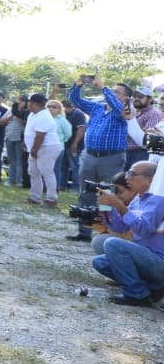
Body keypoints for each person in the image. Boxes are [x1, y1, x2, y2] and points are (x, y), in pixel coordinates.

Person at [90, 161, 164, 307]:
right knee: (99, 262)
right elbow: (120, 227)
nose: (127, 178)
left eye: (132, 174)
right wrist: (106, 206)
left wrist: (119, 206)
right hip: (145, 257)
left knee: (112, 244)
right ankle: (151, 289)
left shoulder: (158, 201)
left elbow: (145, 229)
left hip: (158, 260)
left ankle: (137, 295)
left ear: (150, 180)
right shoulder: (138, 199)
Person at [68, 76, 130, 242]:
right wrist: (78, 86)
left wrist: (104, 88)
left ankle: (105, 232)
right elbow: (75, 100)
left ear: (126, 98)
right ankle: (84, 232)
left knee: (108, 195)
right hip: (90, 156)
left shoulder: (123, 112)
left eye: (117, 92)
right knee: (85, 193)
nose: (111, 93)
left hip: (111, 159)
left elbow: (118, 108)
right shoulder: (97, 108)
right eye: (111, 90)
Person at [24, 92, 62, 206]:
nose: (28, 104)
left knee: (46, 172)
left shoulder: (44, 116)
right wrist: (26, 144)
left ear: (34, 103)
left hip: (47, 147)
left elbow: (40, 135)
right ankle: (35, 197)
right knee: (33, 172)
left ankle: (52, 198)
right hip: (36, 147)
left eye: (29, 102)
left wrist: (34, 150)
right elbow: (30, 131)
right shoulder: (33, 114)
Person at [125, 88, 163, 167]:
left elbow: (146, 140)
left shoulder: (154, 114)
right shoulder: (133, 112)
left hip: (141, 153)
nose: (137, 98)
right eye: (135, 96)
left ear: (150, 99)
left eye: (141, 96)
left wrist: (131, 120)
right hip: (127, 152)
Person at [60, 99, 87, 191]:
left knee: (75, 166)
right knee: (63, 166)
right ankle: (62, 186)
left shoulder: (78, 114)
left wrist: (75, 144)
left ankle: (76, 187)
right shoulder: (64, 114)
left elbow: (81, 129)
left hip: (75, 145)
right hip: (64, 144)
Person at [4, 94, 30, 188]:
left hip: (19, 138)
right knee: (12, 160)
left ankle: (19, 181)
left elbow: (26, 122)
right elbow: (3, 121)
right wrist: (10, 117)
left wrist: (18, 115)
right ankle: (11, 180)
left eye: (22, 101)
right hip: (9, 137)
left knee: (20, 161)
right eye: (19, 100)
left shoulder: (27, 112)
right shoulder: (11, 110)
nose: (20, 102)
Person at [47, 99, 72, 192]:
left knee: (55, 169)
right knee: (45, 169)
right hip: (44, 147)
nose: (51, 108)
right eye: (49, 106)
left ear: (59, 110)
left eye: (54, 107)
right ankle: (45, 188)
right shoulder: (44, 118)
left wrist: (61, 140)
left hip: (57, 148)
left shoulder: (62, 120)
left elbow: (68, 134)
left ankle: (55, 189)